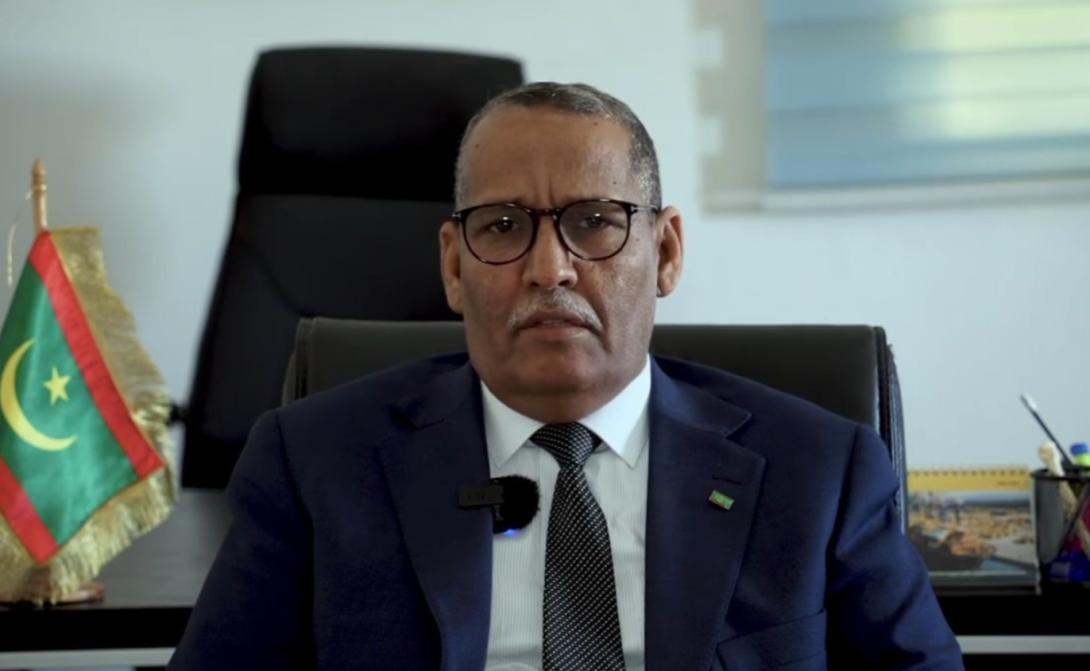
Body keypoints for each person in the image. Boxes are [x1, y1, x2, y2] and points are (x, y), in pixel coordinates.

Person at [170, 82, 963, 670]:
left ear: (665, 252)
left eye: (594, 222)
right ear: (453, 266)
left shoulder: (818, 472)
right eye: (502, 226)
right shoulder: (315, 462)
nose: (550, 269)